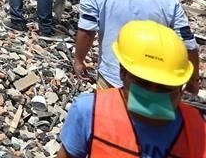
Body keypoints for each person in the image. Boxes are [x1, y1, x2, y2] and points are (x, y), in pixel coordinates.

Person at [58, 21, 204, 158]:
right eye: (144, 83)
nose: (152, 93)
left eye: (163, 87)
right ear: (123, 73)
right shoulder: (89, 111)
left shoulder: (195, 127)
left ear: (180, 88)